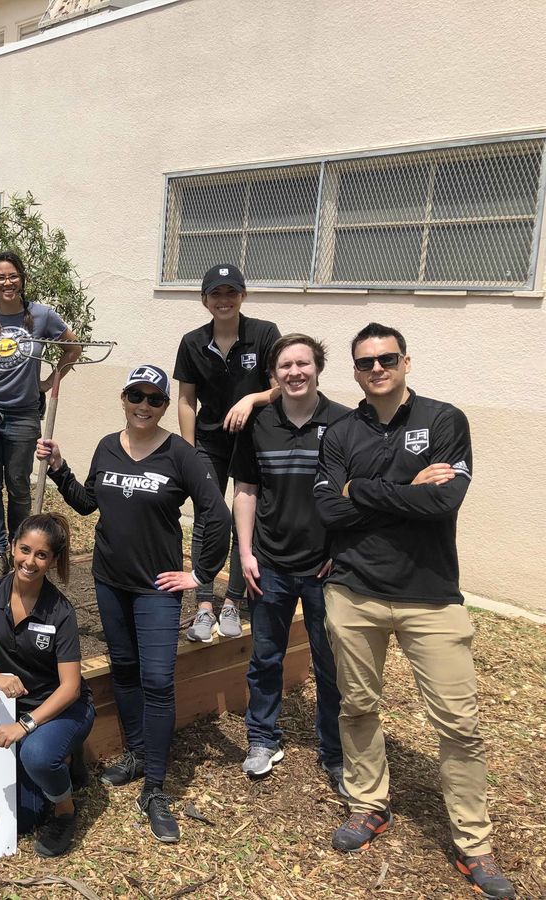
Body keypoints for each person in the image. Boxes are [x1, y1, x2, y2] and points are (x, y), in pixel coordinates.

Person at [313, 323, 515, 899]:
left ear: (405, 361)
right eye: (364, 361)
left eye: (386, 358)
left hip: (431, 597)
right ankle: (367, 803)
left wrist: (362, 489)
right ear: (353, 370)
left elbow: (444, 500)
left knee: (460, 724)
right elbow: (328, 510)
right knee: (358, 707)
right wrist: (405, 485)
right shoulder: (341, 430)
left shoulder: (444, 420)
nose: (376, 368)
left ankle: (474, 844)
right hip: (354, 593)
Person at [36, 364, 230, 844]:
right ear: (124, 399)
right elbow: (86, 505)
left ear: (165, 405)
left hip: (156, 588)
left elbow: (216, 513)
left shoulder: (180, 454)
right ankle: (138, 754)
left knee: (158, 680)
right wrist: (60, 468)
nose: (144, 406)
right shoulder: (106, 446)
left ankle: (157, 788)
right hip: (109, 580)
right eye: (136, 396)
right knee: (123, 668)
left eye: (155, 399)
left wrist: (201, 574)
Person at [229, 334, 348, 789]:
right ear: (273, 375)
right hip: (270, 564)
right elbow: (246, 491)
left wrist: (339, 550)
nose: (294, 372)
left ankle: (335, 752)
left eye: (303, 364)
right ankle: (262, 738)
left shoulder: (343, 422)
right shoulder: (260, 423)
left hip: (325, 569)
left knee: (330, 663)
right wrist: (245, 553)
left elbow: (352, 496)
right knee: (264, 657)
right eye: (285, 366)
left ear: (318, 368)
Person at [0, 513, 94, 858]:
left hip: (62, 709)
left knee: (37, 755)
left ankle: (66, 811)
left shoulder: (60, 611)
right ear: (13, 546)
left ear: (53, 560)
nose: (30, 561)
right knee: (24, 820)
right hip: (12, 707)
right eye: (25, 549)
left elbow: (70, 688)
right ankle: (65, 764)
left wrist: (25, 726)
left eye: (41, 555)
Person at [0, 251, 81, 578]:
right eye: (0, 277)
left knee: (20, 486)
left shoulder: (42, 316)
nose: (7, 283)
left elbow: (74, 348)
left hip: (23, 416)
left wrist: (50, 380)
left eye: (13, 276)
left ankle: (19, 547)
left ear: (22, 278)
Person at [173, 263, 279, 642]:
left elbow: (279, 387)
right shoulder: (192, 342)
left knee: (243, 519)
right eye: (216, 294)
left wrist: (251, 397)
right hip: (210, 441)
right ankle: (204, 603)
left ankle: (233, 599)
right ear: (205, 300)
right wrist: (187, 452)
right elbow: (186, 400)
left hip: (254, 439)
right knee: (209, 517)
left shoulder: (264, 334)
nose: (224, 300)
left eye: (231, 292)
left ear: (243, 296)